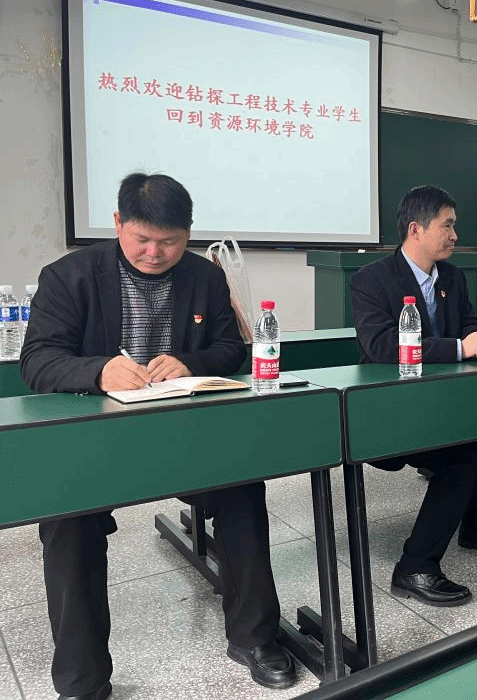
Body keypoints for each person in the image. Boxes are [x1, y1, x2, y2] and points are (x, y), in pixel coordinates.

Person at [20, 173, 295, 700]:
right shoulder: (68, 276)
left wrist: (188, 362)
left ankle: (254, 637)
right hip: (97, 441)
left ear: (188, 233)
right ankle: (82, 679)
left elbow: (230, 350)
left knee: (243, 487)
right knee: (66, 522)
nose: (154, 253)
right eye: (142, 239)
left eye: (169, 242)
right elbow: (36, 361)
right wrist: (99, 371)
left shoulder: (205, 277)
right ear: (117, 224)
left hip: (186, 434)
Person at [349, 185, 477, 607]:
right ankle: (415, 567)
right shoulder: (371, 279)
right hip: (390, 409)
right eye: (448, 226)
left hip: (443, 402)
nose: (455, 235)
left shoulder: (453, 277)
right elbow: (381, 347)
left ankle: (476, 529)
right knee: (464, 455)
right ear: (416, 229)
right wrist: (460, 348)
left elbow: (467, 324)